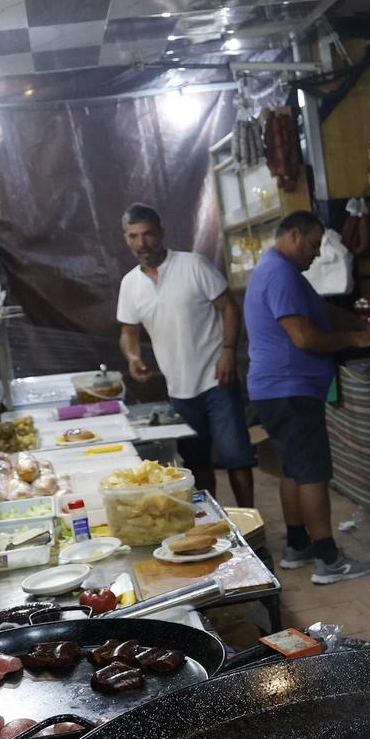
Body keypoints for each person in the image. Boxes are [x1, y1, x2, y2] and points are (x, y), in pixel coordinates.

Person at [244, 211, 370, 584]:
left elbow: (321, 310)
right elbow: (305, 338)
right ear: (293, 235)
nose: (316, 253)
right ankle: (328, 559)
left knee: (293, 468)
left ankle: (297, 545)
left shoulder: (279, 270)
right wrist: (355, 339)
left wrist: (360, 323)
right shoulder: (279, 273)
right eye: (312, 244)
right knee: (311, 473)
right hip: (290, 388)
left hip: (275, 389)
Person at [115, 203, 255, 509]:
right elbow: (129, 332)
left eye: (148, 234)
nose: (142, 243)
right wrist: (133, 358)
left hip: (217, 380)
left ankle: (252, 529)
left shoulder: (193, 265)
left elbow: (230, 307)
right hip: (178, 391)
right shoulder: (130, 284)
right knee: (197, 465)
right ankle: (215, 525)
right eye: (134, 236)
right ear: (126, 239)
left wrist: (229, 351)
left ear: (161, 232)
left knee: (237, 460)